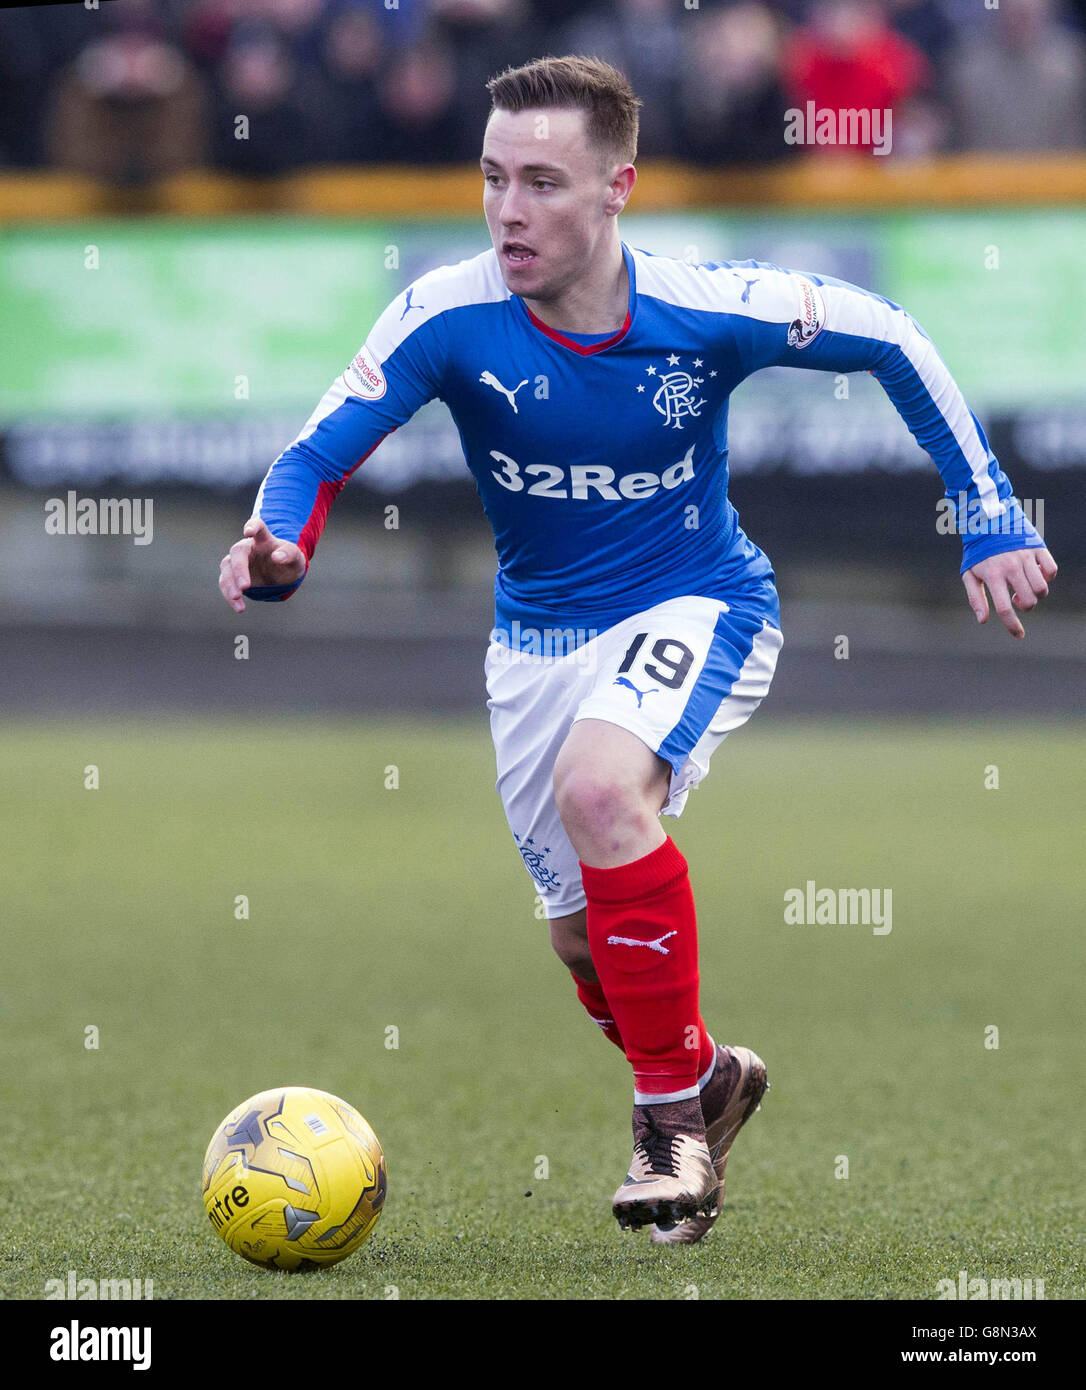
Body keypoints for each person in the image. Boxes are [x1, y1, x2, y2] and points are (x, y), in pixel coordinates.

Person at [218, 56, 1057, 1243]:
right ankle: (706, 1076)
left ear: (618, 188)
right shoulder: (446, 314)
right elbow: (314, 453)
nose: (510, 210)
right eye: (494, 178)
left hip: (702, 600)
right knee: (582, 938)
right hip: (534, 648)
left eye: (544, 183)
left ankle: (669, 1133)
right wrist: (280, 544)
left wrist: (984, 511)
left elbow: (893, 337)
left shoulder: (707, 309)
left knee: (604, 788)